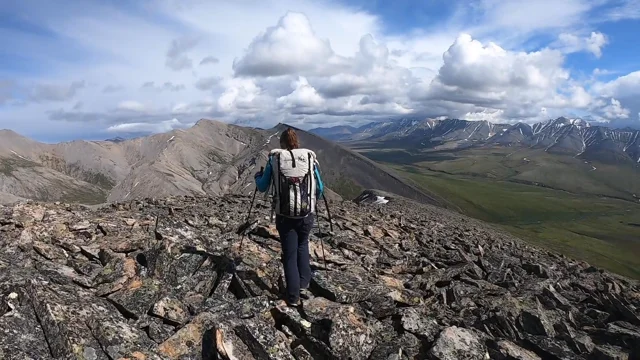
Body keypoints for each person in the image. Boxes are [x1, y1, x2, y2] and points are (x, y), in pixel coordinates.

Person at [254, 127, 324, 306]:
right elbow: (320, 189)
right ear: (297, 142)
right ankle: (304, 283)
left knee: (289, 254)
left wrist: (257, 176)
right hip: (306, 214)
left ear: (282, 143)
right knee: (303, 245)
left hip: (285, 215)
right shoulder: (308, 158)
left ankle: (292, 297)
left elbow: (262, 186)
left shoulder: (275, 160)